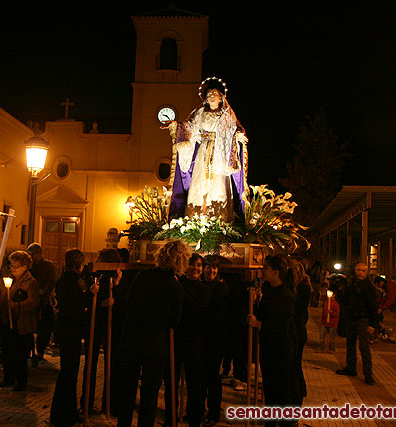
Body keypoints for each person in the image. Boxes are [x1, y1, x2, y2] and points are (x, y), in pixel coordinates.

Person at [118, 240, 185, 427]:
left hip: (131, 336)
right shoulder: (174, 286)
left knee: (128, 386)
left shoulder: (142, 276)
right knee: (150, 390)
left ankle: (123, 423)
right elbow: (175, 321)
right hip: (155, 341)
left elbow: (128, 304)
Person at [164, 77, 248, 222]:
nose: (210, 96)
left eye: (213, 93)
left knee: (218, 183)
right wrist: (175, 125)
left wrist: (239, 135)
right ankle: (196, 218)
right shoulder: (200, 112)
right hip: (204, 150)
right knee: (200, 181)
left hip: (220, 154)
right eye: (208, 94)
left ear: (221, 97)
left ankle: (219, 219)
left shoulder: (226, 114)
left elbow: (235, 129)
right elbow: (189, 126)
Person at [50, 249, 98, 427]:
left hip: (69, 331)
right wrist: (90, 294)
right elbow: (74, 305)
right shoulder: (69, 282)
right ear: (79, 265)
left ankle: (67, 412)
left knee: (70, 373)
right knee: (68, 373)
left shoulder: (67, 280)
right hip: (70, 332)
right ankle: (61, 415)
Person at [249, 254, 298, 427]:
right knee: (269, 389)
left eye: (266, 268)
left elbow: (281, 325)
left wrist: (259, 324)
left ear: (276, 272)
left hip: (280, 348)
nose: (263, 271)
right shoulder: (269, 290)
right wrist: (255, 303)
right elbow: (263, 314)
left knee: (281, 389)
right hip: (268, 346)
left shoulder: (285, 295)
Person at [163, 253, 210, 427]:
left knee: (195, 385)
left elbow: (199, 311)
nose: (195, 268)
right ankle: (170, 419)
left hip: (196, 341)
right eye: (192, 265)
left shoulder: (204, 289)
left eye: (198, 265)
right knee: (171, 383)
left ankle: (194, 420)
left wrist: (180, 290)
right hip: (176, 339)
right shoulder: (177, 285)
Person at [0, 250, 39, 391]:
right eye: (11, 266)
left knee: (20, 355)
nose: (13, 269)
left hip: (21, 324)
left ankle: (21, 381)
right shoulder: (8, 279)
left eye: (16, 266)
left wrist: (17, 306)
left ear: (25, 267)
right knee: (7, 352)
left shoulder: (31, 283)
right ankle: (8, 377)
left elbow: (33, 302)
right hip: (6, 322)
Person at [80, 248, 119, 415]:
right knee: (91, 363)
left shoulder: (117, 277)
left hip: (110, 324)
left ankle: (109, 403)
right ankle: (87, 403)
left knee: (112, 364)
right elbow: (88, 299)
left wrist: (115, 289)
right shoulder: (93, 276)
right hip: (94, 322)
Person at [336, 263, 378, 385]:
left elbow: (372, 306)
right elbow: (346, 300)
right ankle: (351, 367)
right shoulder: (352, 284)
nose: (360, 272)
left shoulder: (368, 287)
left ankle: (368, 374)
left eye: (363, 271)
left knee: (364, 347)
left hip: (363, 319)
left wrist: (373, 325)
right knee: (350, 344)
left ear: (366, 273)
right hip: (351, 318)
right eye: (358, 270)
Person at [201, 254, 229, 426]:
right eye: (208, 267)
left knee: (212, 377)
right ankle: (199, 410)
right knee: (199, 378)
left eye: (214, 268)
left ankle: (213, 413)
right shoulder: (199, 285)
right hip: (200, 338)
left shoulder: (222, 288)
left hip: (215, 339)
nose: (211, 271)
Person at [27, 243, 56, 361]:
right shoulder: (29, 266)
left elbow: (51, 281)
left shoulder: (48, 266)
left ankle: (40, 351)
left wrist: (44, 291)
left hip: (44, 301)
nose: (31, 256)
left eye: (32, 254)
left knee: (44, 328)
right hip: (31, 300)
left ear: (39, 254)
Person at [289, 258, 311, 407]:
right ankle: (299, 391)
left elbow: (298, 310)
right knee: (294, 365)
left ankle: (298, 395)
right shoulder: (300, 286)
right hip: (297, 330)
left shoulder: (302, 287)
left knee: (295, 365)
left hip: (297, 331)